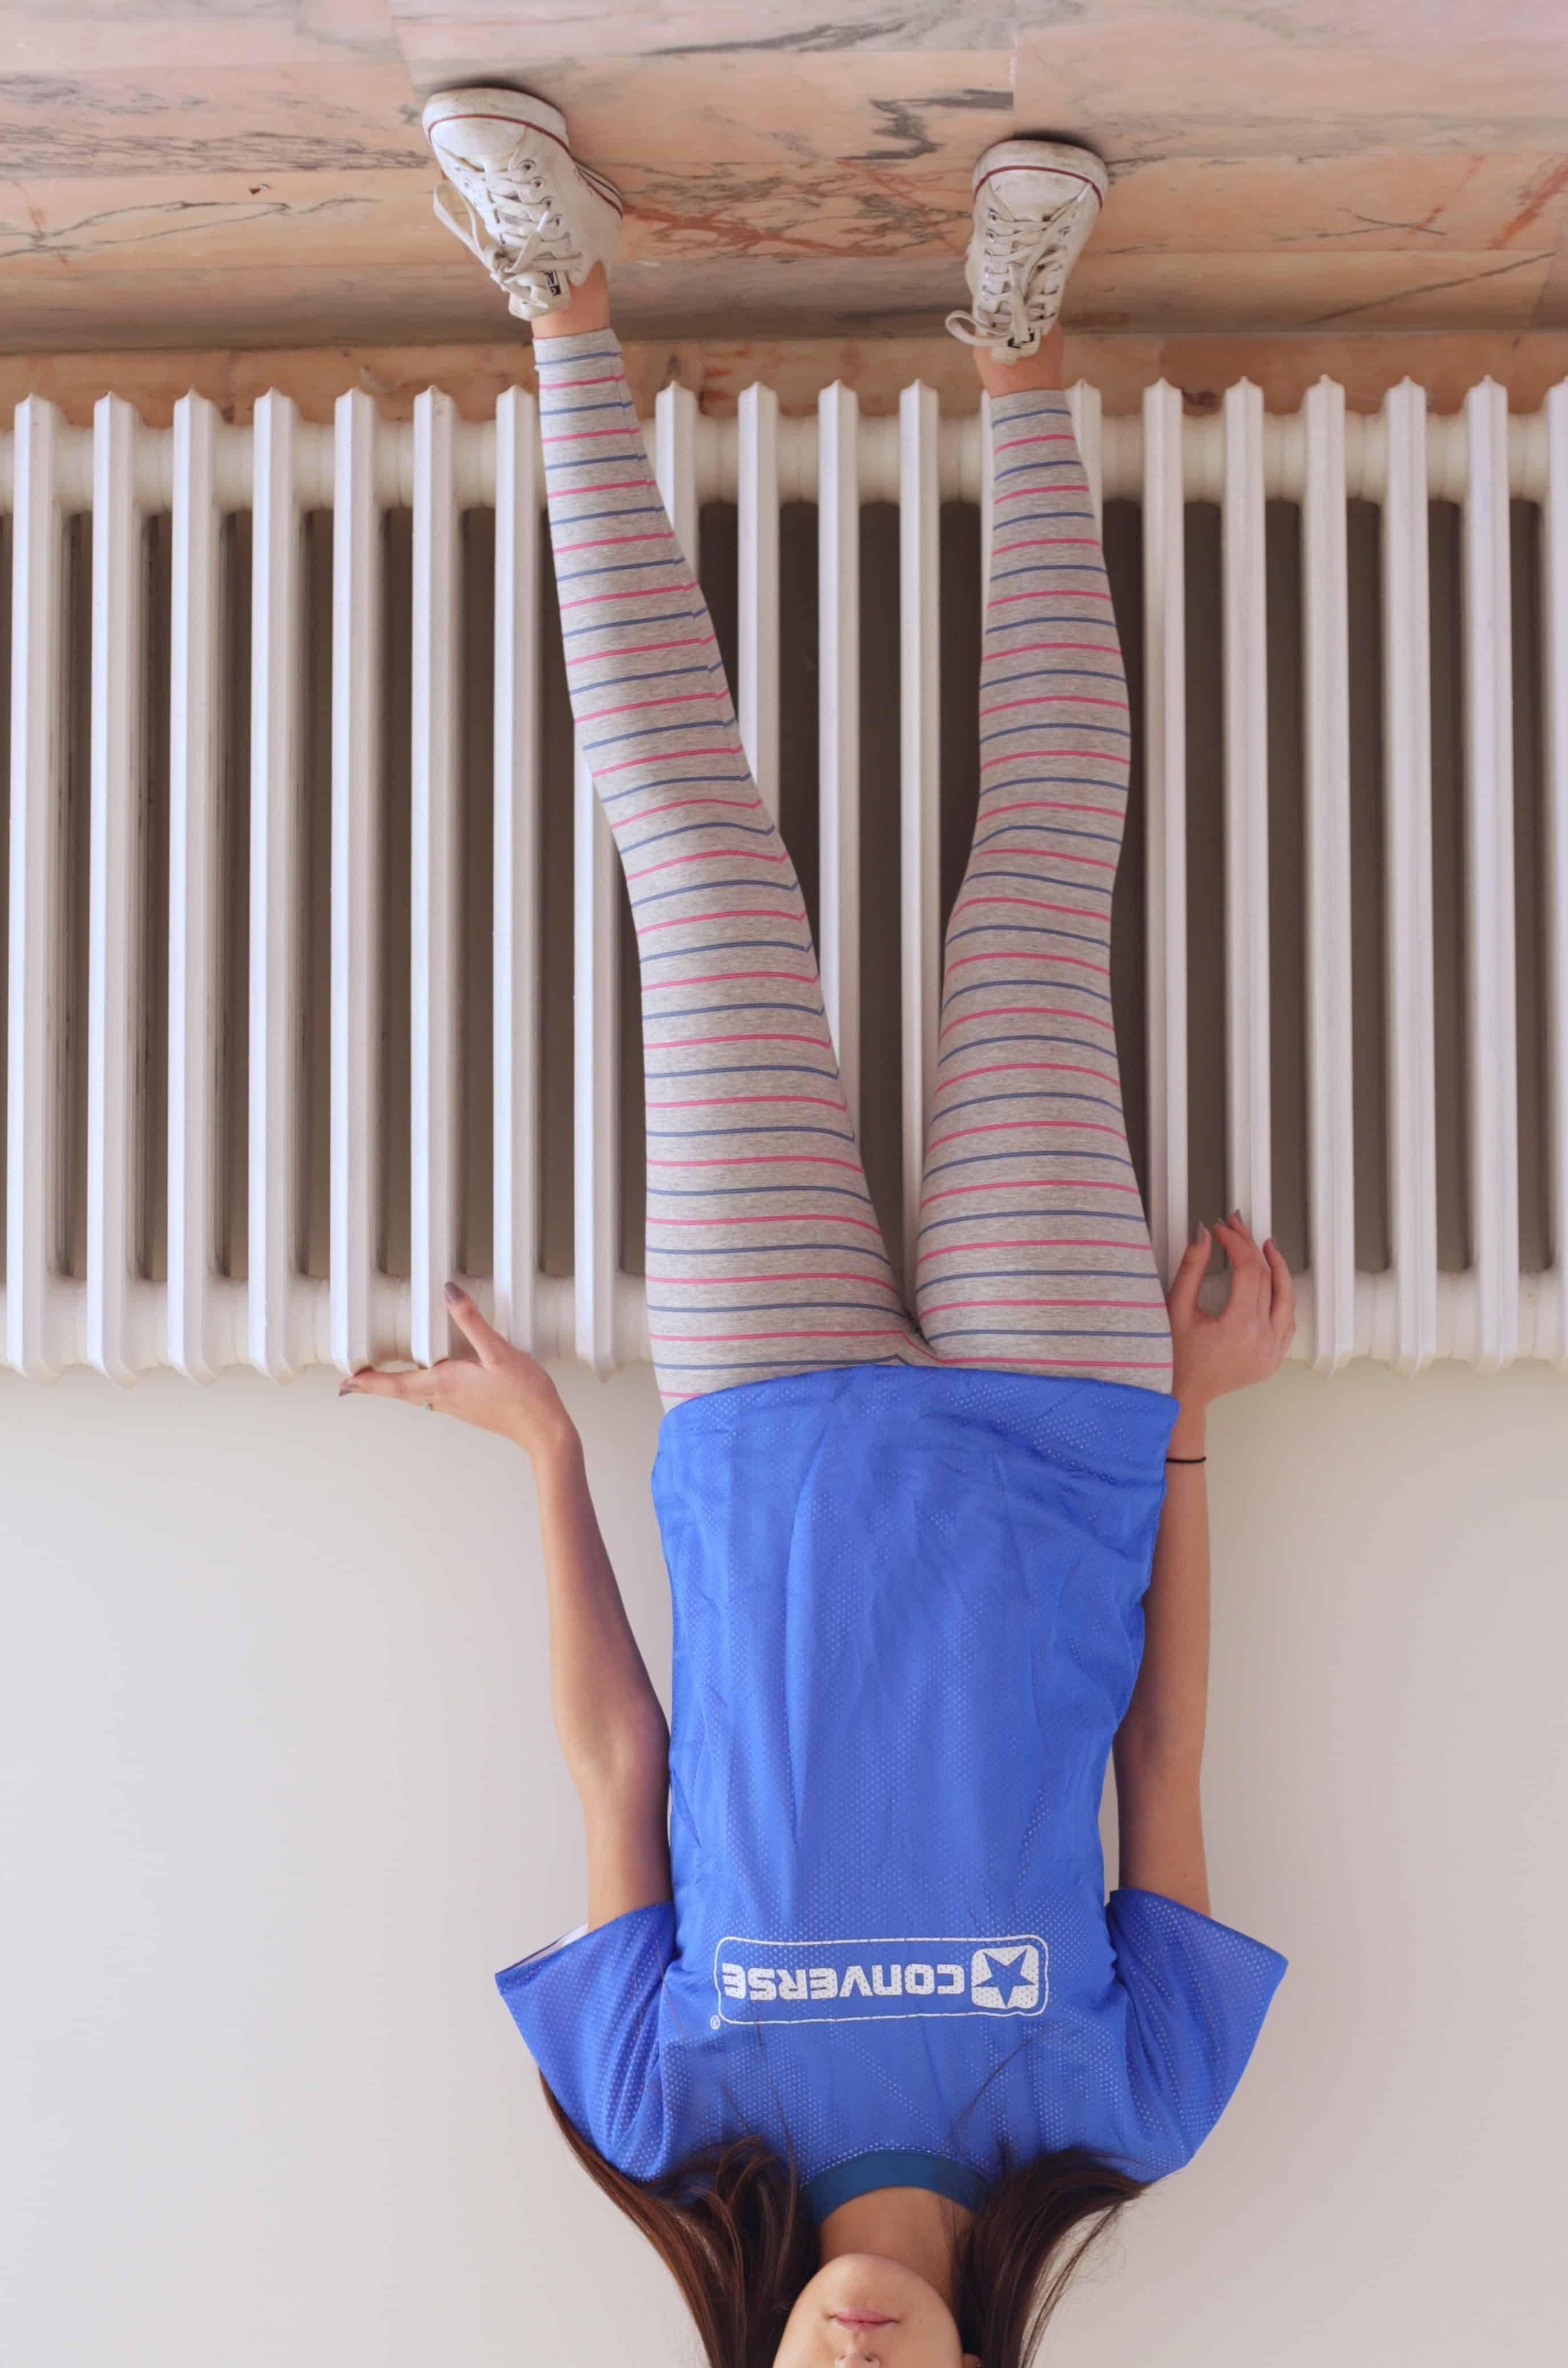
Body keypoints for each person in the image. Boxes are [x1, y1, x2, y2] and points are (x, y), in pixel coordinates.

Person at [346, 88, 1296, 2368]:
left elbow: (612, 1768)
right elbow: (1160, 1759)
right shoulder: (1131, 2106)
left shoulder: (661, 2109)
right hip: (1059, 1406)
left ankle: (559, 300)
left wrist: (549, 1455)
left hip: (759, 1429)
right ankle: (1014, 345)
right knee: (1036, 881)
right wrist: (1190, 1422)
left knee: (693, 870)